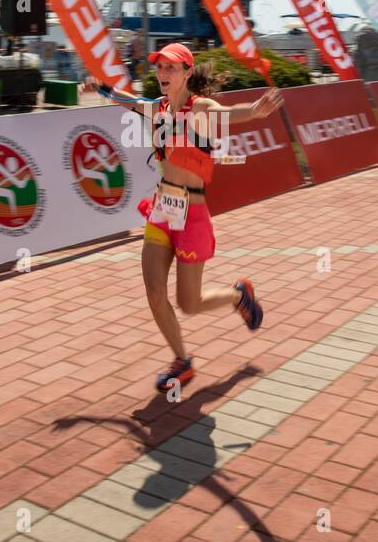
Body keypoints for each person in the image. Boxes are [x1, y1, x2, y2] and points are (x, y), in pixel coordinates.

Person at [90, 42, 283, 393]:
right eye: (160, 67)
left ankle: (238, 296)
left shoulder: (202, 108)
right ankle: (182, 361)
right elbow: (128, 100)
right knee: (153, 291)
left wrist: (254, 111)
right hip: (163, 208)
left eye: (171, 68)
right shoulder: (156, 109)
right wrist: (100, 89)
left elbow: (230, 112)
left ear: (187, 73)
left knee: (189, 304)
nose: (163, 73)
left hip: (192, 214)